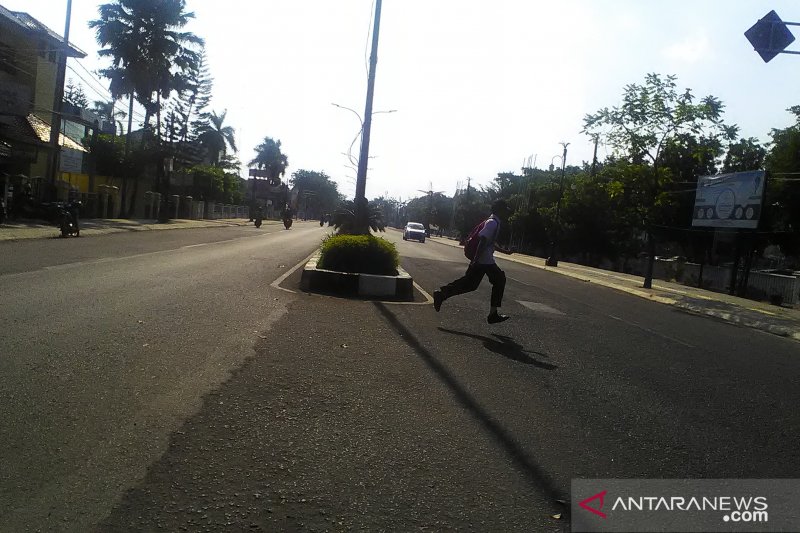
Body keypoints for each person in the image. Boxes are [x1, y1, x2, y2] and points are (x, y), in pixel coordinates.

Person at [433, 199, 514, 324]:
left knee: (470, 284)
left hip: (484, 260)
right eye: (505, 210)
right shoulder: (492, 223)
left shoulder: (493, 222)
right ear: (499, 210)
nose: (506, 213)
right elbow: (482, 241)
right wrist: (476, 260)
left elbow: (489, 242)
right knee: (499, 280)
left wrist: (505, 252)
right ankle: (493, 314)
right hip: (483, 260)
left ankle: (442, 294)